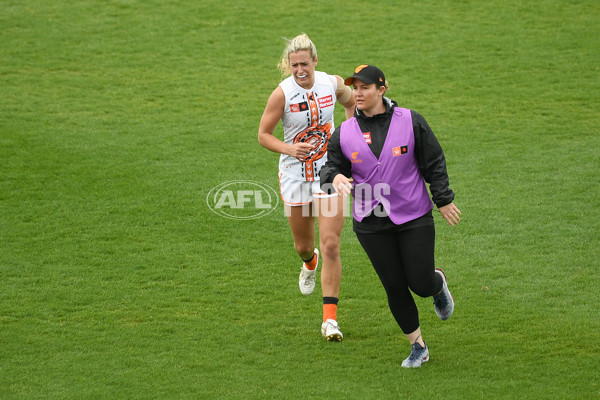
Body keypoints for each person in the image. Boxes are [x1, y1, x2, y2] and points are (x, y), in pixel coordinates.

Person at [320, 64, 461, 366]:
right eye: (354, 88)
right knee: (395, 285)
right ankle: (418, 346)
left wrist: (444, 199)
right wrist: (335, 178)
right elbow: (330, 167)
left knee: (420, 283)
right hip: (370, 223)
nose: (357, 93)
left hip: (413, 216)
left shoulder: (411, 121)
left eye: (364, 87)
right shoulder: (344, 132)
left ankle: (437, 285)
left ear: (381, 90)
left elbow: (433, 161)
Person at [258, 34, 355, 341]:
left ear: (315, 61)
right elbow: (263, 134)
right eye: (294, 64)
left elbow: (351, 100)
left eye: (305, 63)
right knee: (305, 246)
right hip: (295, 177)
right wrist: (290, 150)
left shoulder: (330, 83)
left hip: (329, 174)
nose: (300, 69)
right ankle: (308, 262)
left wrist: (350, 139)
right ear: (289, 65)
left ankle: (330, 320)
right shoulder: (281, 94)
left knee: (331, 245)